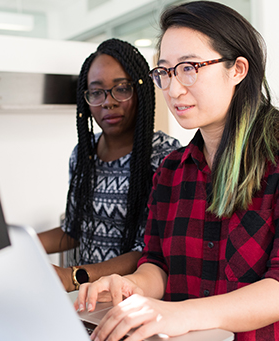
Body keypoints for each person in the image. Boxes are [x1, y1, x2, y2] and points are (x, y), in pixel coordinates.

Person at [75, 2, 279, 340]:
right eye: (165, 72)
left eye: (189, 68)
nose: (173, 89)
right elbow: (158, 265)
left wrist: (180, 314)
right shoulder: (172, 169)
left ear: (238, 70)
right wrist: (129, 286)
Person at [38, 38, 180, 292]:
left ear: (141, 91)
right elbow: (74, 230)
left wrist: (73, 277)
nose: (108, 102)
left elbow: (149, 250)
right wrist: (17, 246)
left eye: (122, 88)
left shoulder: (165, 157)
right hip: (89, 301)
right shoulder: (83, 154)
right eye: (96, 92)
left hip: (137, 300)